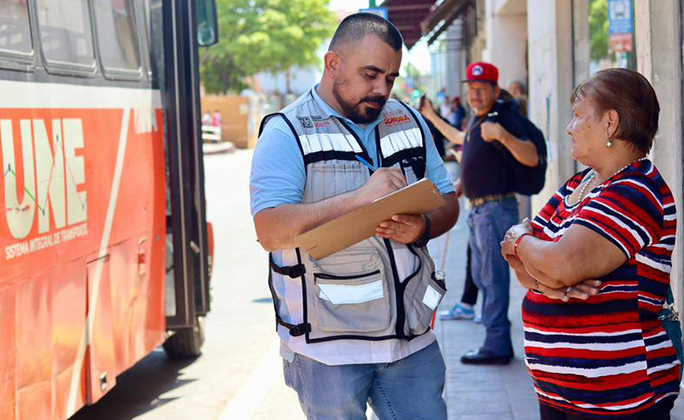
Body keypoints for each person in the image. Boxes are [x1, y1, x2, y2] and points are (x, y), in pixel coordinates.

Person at [250, 13, 460, 419]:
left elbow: (447, 202)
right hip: (329, 351)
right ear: (333, 65)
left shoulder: (409, 121)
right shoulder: (286, 131)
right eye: (370, 75)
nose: (382, 89)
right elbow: (270, 230)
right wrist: (359, 199)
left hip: (410, 341)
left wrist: (424, 227)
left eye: (391, 78)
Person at [501, 68, 681, 419]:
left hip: (618, 398)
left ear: (610, 123)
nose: (569, 127)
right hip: (559, 392)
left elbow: (560, 263)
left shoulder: (635, 190)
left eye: (579, 115)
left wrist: (519, 238)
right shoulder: (578, 185)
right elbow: (522, 266)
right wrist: (549, 283)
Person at [421, 61, 539, 365]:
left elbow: (531, 156)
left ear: (495, 90)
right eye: (471, 89)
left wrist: (501, 135)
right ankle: (495, 339)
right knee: (483, 276)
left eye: (481, 89)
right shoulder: (479, 120)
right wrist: (432, 116)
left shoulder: (502, 118)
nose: (474, 94)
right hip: (480, 211)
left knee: (492, 278)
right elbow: (463, 141)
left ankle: (497, 344)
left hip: (495, 210)